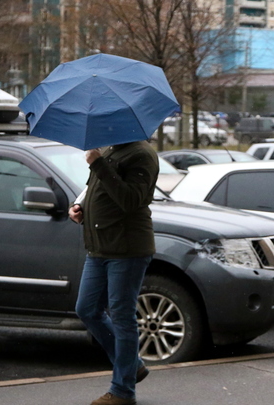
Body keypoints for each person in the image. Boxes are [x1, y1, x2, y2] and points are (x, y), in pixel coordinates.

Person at [69, 140, 159, 405]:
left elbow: (130, 200)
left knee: (122, 316)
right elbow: (99, 192)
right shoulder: (110, 150)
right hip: (100, 247)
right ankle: (132, 365)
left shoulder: (142, 155)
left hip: (127, 248)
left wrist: (98, 163)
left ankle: (122, 391)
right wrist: (81, 209)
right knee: (86, 309)